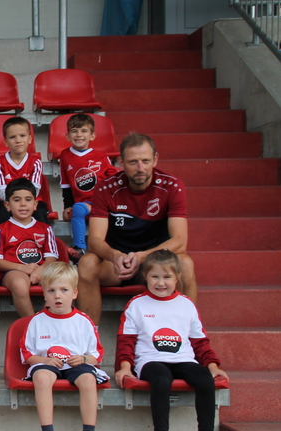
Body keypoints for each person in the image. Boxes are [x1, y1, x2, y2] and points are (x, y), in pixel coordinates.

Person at [115, 249, 228, 431]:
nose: (160, 282)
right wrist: (125, 366)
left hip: (183, 359)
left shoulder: (186, 304)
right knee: (161, 379)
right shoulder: (137, 304)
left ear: (177, 278)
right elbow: (126, 340)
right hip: (150, 360)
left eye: (167, 277)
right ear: (145, 276)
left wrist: (213, 365)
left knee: (205, 380)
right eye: (155, 276)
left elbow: (200, 342)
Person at [78, 133, 195, 324]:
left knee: (186, 264)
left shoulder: (172, 186)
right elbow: (95, 241)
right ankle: (90, 339)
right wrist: (115, 256)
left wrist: (143, 257)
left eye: (145, 160)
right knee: (87, 263)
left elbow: (180, 241)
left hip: (155, 263)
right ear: (121, 162)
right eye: (133, 162)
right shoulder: (106, 187)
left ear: (155, 159)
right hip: (117, 264)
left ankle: (188, 334)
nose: (140, 168)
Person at [21, 262, 107, 431]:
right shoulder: (36, 321)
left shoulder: (83, 321)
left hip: (76, 363)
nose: (57, 296)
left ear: (75, 293)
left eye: (64, 290)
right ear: (44, 295)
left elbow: (97, 355)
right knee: (41, 377)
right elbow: (27, 354)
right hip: (47, 363)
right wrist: (44, 360)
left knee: (88, 378)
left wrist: (84, 359)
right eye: (51, 291)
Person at [0, 178, 59, 317]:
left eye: (28, 199)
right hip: (13, 271)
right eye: (17, 200)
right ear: (7, 205)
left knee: (61, 280)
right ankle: (31, 324)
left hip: (41, 270)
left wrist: (41, 270)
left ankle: (49, 319)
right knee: (20, 284)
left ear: (35, 204)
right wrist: (22, 268)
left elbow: (52, 258)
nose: (23, 204)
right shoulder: (0, 229)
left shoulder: (45, 229)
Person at [56, 114, 116, 263]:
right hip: (86, 205)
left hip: (103, 203)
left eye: (84, 131)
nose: (79, 135)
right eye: (74, 131)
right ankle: (79, 249)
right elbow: (66, 185)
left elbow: (114, 181)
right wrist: (67, 206)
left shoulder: (102, 157)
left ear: (92, 135)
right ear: (68, 135)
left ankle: (113, 248)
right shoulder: (65, 156)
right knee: (77, 208)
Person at [0, 116, 50, 226]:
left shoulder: (36, 162)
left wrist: (24, 202)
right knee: (1, 211)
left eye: (22, 136)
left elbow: (35, 189)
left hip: (31, 201)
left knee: (39, 212)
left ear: (29, 139)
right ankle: (0, 242)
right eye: (12, 137)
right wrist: (16, 204)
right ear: (6, 142)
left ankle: (42, 241)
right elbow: (1, 191)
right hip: (8, 202)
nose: (18, 140)